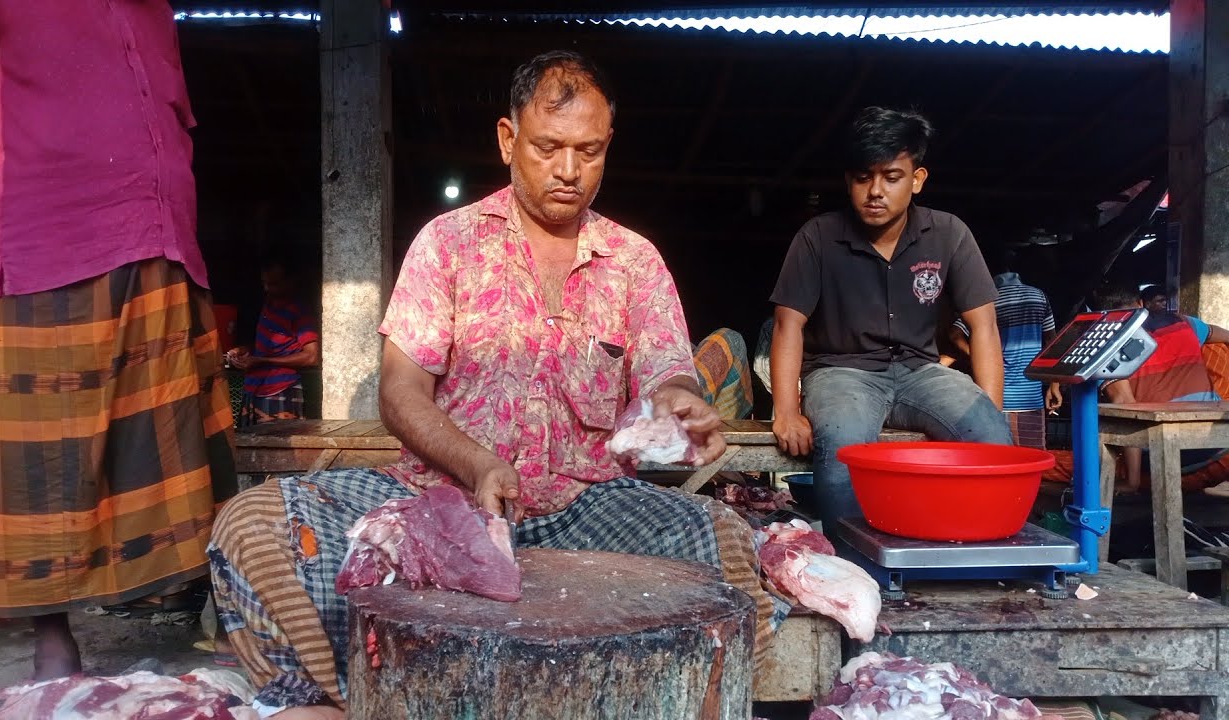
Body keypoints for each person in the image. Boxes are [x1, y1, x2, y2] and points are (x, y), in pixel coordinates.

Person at [207, 51, 781, 718]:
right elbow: (399, 393)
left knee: (727, 547)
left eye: (589, 151)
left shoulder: (634, 260)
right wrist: (475, 462)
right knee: (252, 524)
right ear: (509, 139)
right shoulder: (447, 244)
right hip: (439, 506)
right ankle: (354, 702)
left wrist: (680, 398)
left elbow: (665, 369)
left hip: (584, 515)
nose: (570, 170)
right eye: (550, 147)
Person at [0, 0, 236, 679]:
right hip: (49, 252)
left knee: (185, 453)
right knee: (49, 463)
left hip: (164, 247)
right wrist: (12, 215)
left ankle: (215, 614)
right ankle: (54, 642)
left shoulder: (155, 14)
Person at [769, 107, 1011, 536]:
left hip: (922, 372)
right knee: (845, 449)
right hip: (841, 373)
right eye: (863, 178)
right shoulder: (818, 237)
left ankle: (967, 546)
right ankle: (854, 563)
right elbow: (788, 326)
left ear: (917, 179)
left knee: (991, 437)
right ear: (849, 181)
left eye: (891, 177)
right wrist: (785, 412)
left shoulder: (949, 233)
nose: (875, 191)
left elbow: (985, 327)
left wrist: (989, 406)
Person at [1097, 285, 1229, 493]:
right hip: (1217, 441)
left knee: (1108, 416)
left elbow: (1124, 403)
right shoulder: (1183, 322)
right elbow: (1217, 333)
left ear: (1101, 316)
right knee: (1215, 349)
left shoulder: (1107, 345)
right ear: (1141, 303)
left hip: (1164, 451)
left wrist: (1132, 482)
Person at [949, 251, 1059, 449]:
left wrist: (977, 356)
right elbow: (1052, 342)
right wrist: (1055, 385)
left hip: (997, 394)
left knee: (999, 457)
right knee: (1032, 457)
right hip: (1030, 396)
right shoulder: (1038, 296)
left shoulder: (985, 302)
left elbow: (955, 335)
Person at [229, 258, 320, 426]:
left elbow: (311, 356)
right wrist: (244, 350)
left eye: (275, 284)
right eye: (265, 283)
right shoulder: (267, 304)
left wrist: (262, 361)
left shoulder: (300, 311)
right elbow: (266, 346)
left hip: (281, 390)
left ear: (291, 281)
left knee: (280, 447)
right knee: (249, 446)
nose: (268, 288)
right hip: (253, 388)